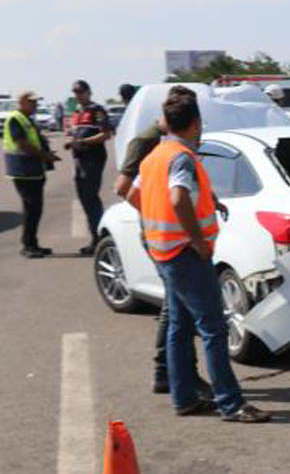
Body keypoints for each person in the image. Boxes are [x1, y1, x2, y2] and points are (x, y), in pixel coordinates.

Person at [132, 88, 269, 422]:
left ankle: (184, 398)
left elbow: (135, 194)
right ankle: (231, 403)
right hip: (185, 254)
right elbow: (178, 198)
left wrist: (164, 224)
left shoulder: (154, 158)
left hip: (162, 251)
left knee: (179, 326)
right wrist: (196, 240)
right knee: (213, 329)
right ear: (195, 123)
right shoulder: (181, 157)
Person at [115, 87, 189, 394]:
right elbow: (123, 187)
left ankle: (171, 373)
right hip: (161, 235)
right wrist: (159, 212)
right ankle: (168, 373)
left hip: (169, 233)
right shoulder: (146, 140)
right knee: (175, 307)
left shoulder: (173, 140)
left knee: (177, 306)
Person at [5, 90, 56, 257]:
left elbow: (34, 141)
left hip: (33, 170)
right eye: (31, 102)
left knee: (34, 209)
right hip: (23, 171)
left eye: (36, 102)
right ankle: (28, 246)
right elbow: (22, 144)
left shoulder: (28, 119)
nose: (35, 105)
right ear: (21, 102)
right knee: (32, 209)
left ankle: (32, 244)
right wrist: (45, 155)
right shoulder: (16, 119)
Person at [65, 79, 112, 253]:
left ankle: (99, 239)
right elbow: (73, 133)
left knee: (91, 198)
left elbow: (106, 134)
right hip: (79, 159)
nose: (77, 94)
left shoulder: (97, 110)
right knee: (84, 198)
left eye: (80, 91)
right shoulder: (76, 112)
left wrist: (83, 141)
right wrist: (71, 142)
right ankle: (96, 236)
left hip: (93, 159)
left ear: (88, 92)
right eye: (75, 92)